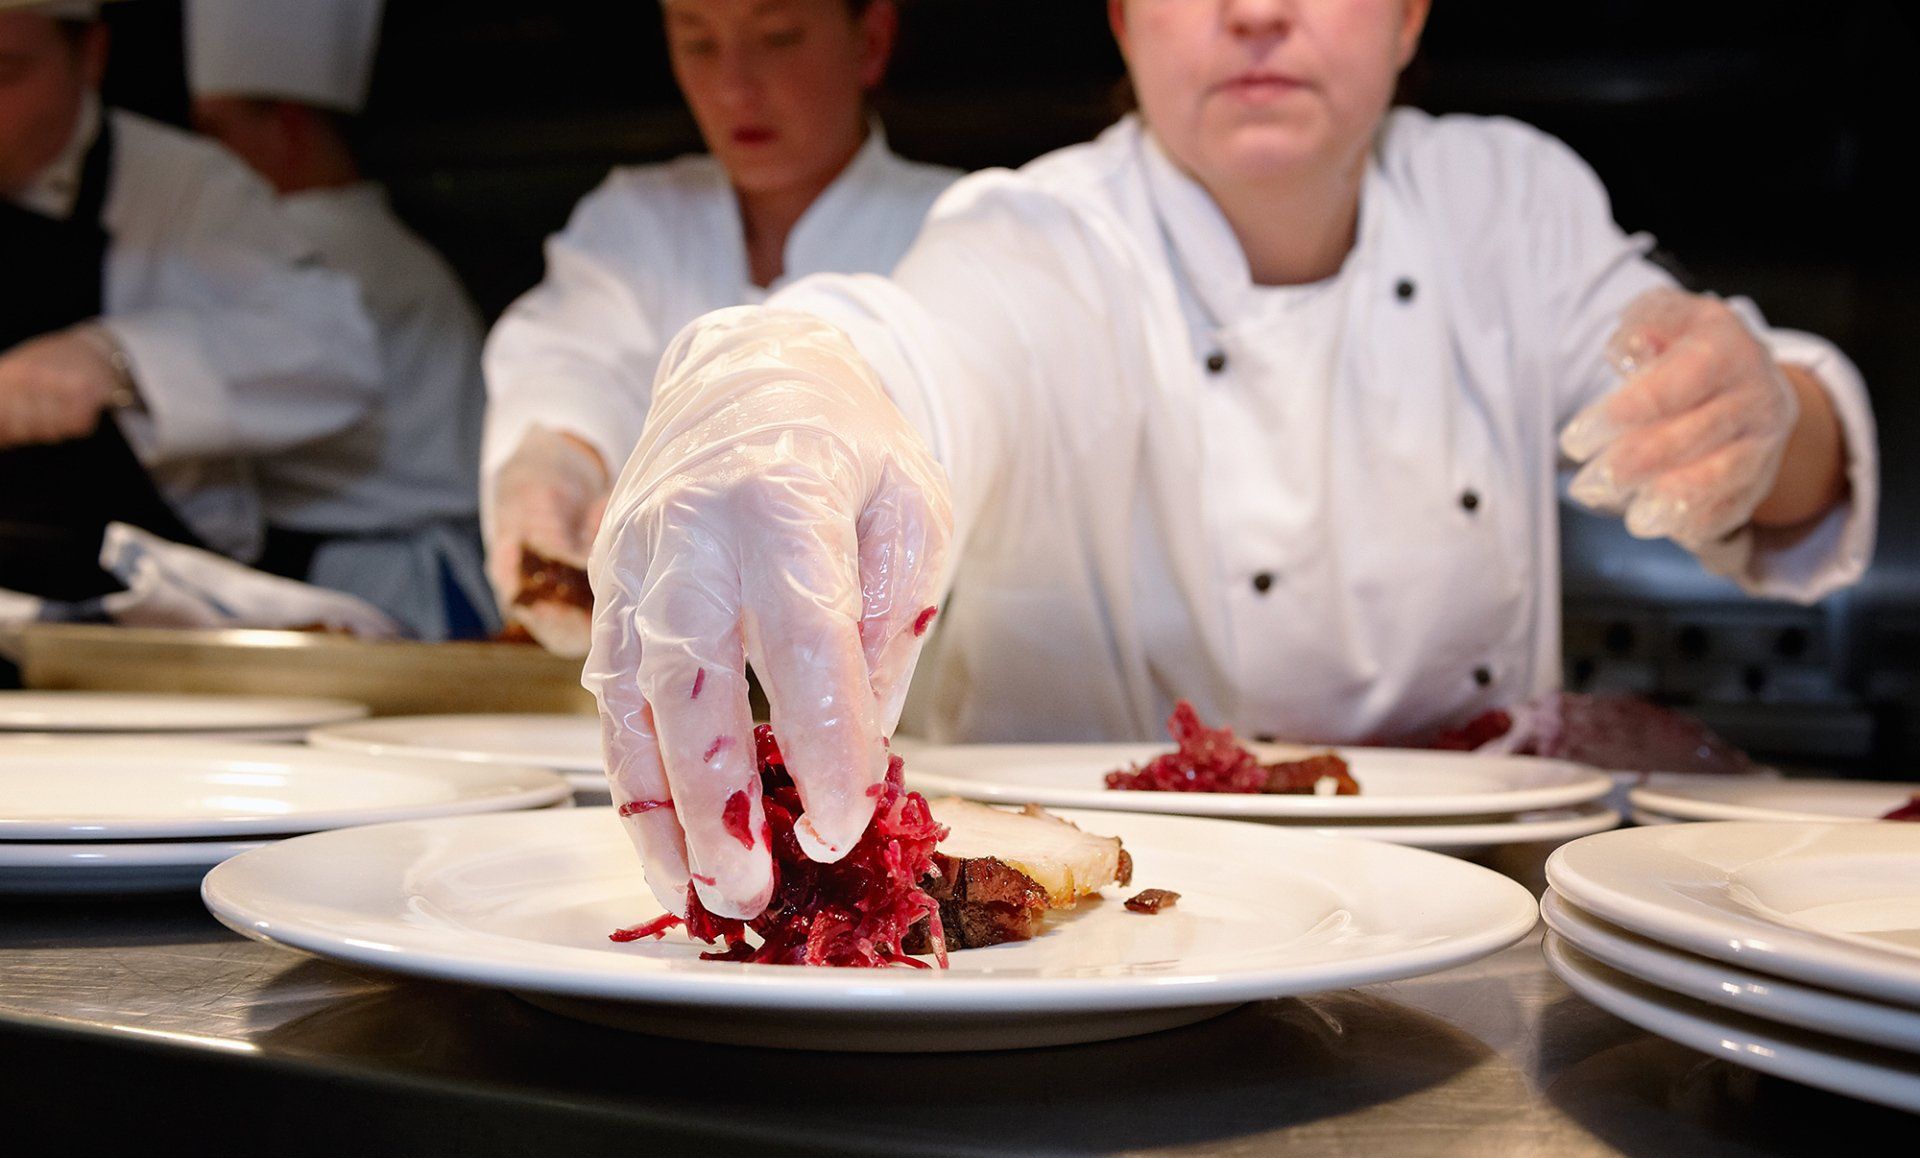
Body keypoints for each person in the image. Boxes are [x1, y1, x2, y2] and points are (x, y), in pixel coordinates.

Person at [585, 0, 1879, 921]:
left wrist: (1764, 418)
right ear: (1121, 16)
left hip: (1492, 920)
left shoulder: (1512, 203)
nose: (1256, 12)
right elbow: (924, 346)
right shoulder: (1042, 235)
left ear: (1412, 13)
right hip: (1080, 954)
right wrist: (797, 377)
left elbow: (1773, 454)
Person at [480, 0, 958, 653]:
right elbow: (572, 359)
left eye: (778, 37)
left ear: (870, 41)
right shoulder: (635, 220)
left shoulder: (952, 227)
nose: (734, 86)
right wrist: (561, 456)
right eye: (698, 42)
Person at [0, 1, 380, 602]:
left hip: (147, 613)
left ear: (91, 55)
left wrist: (113, 358)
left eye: (5, 72)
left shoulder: (188, 186)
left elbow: (336, 354)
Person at [187, 0, 494, 638]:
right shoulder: (382, 245)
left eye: (216, 135)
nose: (198, 161)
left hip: (385, 585)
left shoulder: (315, 256)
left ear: (288, 127)